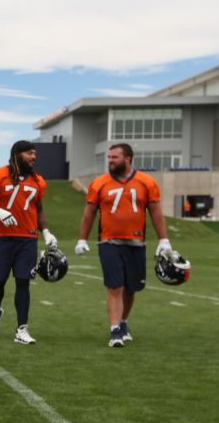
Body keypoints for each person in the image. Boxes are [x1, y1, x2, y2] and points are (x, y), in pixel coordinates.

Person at [74, 143, 178, 347]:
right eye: (109, 157)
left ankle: (123, 322)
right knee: (115, 286)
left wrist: (163, 239)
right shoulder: (99, 183)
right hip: (109, 242)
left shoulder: (146, 182)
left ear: (128, 159)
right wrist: (82, 239)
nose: (110, 161)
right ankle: (114, 331)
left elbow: (156, 212)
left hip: (136, 242)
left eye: (115, 157)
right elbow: (89, 213)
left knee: (131, 288)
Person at [0, 141, 56, 344]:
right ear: (17, 154)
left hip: (27, 239)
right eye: (29, 153)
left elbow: (38, 209)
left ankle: (22, 329)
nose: (34, 157)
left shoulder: (38, 181)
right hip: (2, 238)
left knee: (23, 282)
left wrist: (46, 231)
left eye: (35, 153)